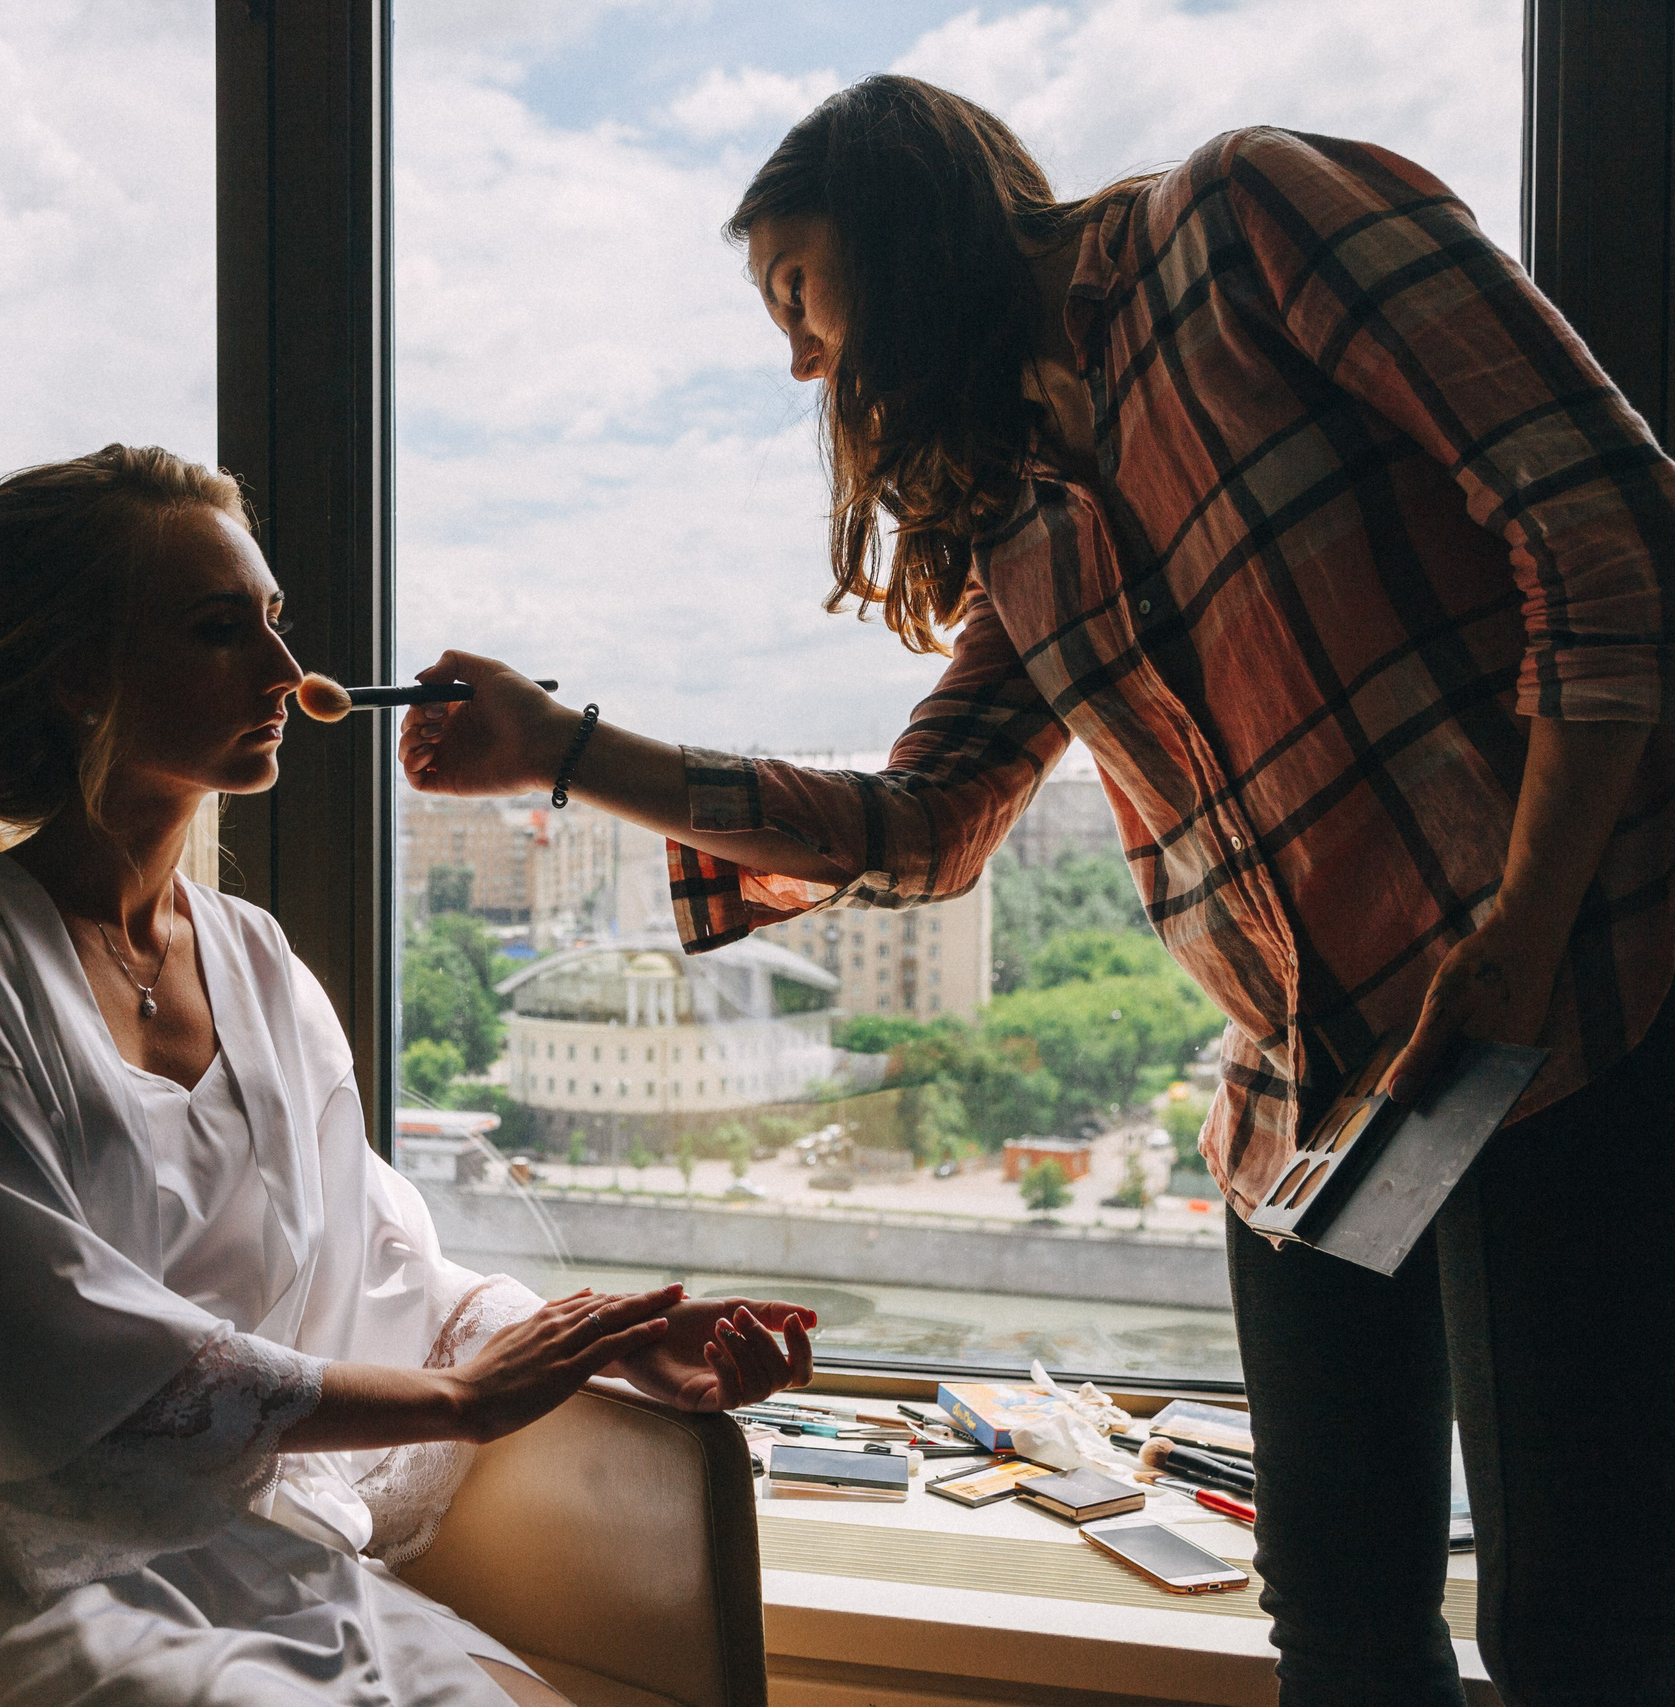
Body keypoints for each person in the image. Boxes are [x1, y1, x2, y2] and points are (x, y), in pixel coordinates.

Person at [402, 76, 1672, 1706]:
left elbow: (1606, 526)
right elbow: (925, 823)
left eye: (798, 295)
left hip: (1564, 1014)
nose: (801, 360)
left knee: (1585, 1628)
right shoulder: (1030, 520)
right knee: (1343, 1630)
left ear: (899, 221)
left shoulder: (1255, 217)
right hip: (1313, 1112)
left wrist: (1522, 925)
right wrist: (563, 748)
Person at [0, 443, 820, 1707]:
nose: (290, 674)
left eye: (278, 625)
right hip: (21, 1570)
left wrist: (615, 1346)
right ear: (79, 675)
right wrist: (456, 1401)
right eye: (222, 631)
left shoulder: (258, 961)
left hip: (258, 1559)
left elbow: (378, 1266)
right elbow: (39, 1347)